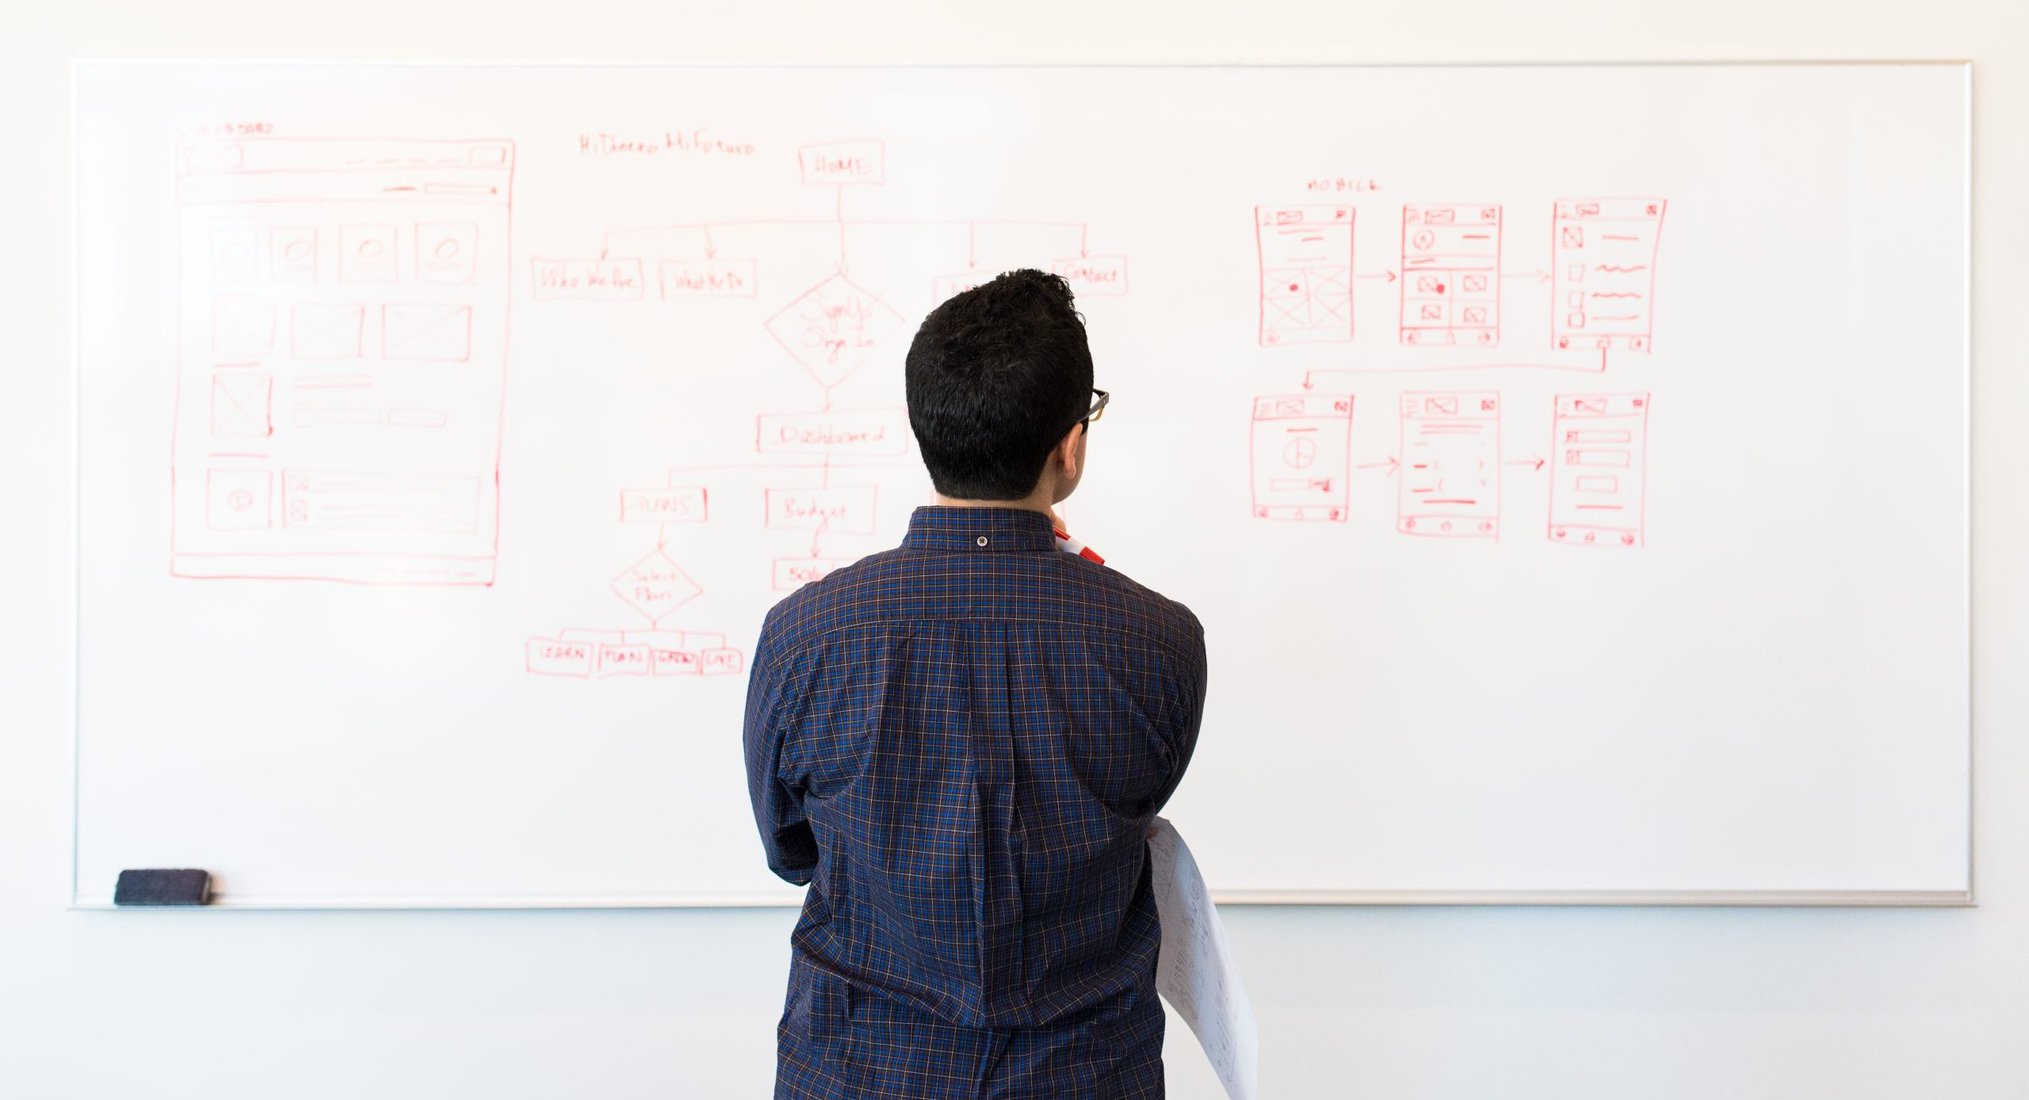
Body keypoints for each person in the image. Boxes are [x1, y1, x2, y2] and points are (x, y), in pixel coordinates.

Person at [742, 269, 1209, 1098]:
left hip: (858, 1070)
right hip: (1084, 1075)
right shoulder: (1159, 641)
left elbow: (791, 851)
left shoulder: (803, 634)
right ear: (1068, 445)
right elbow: (1135, 813)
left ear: (928, 430)